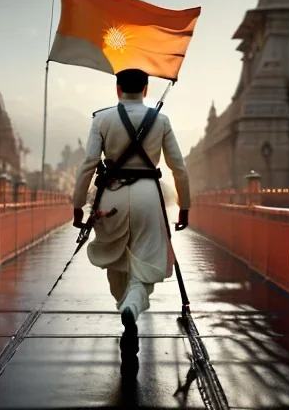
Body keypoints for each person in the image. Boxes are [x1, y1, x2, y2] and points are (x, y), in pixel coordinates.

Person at [72, 68, 190, 359]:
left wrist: (77, 205)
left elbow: (88, 164)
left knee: (115, 257)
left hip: (110, 195)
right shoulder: (160, 120)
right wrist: (185, 206)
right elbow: (179, 167)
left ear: (118, 89)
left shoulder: (102, 119)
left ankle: (123, 305)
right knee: (146, 258)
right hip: (149, 197)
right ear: (146, 89)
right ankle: (132, 307)